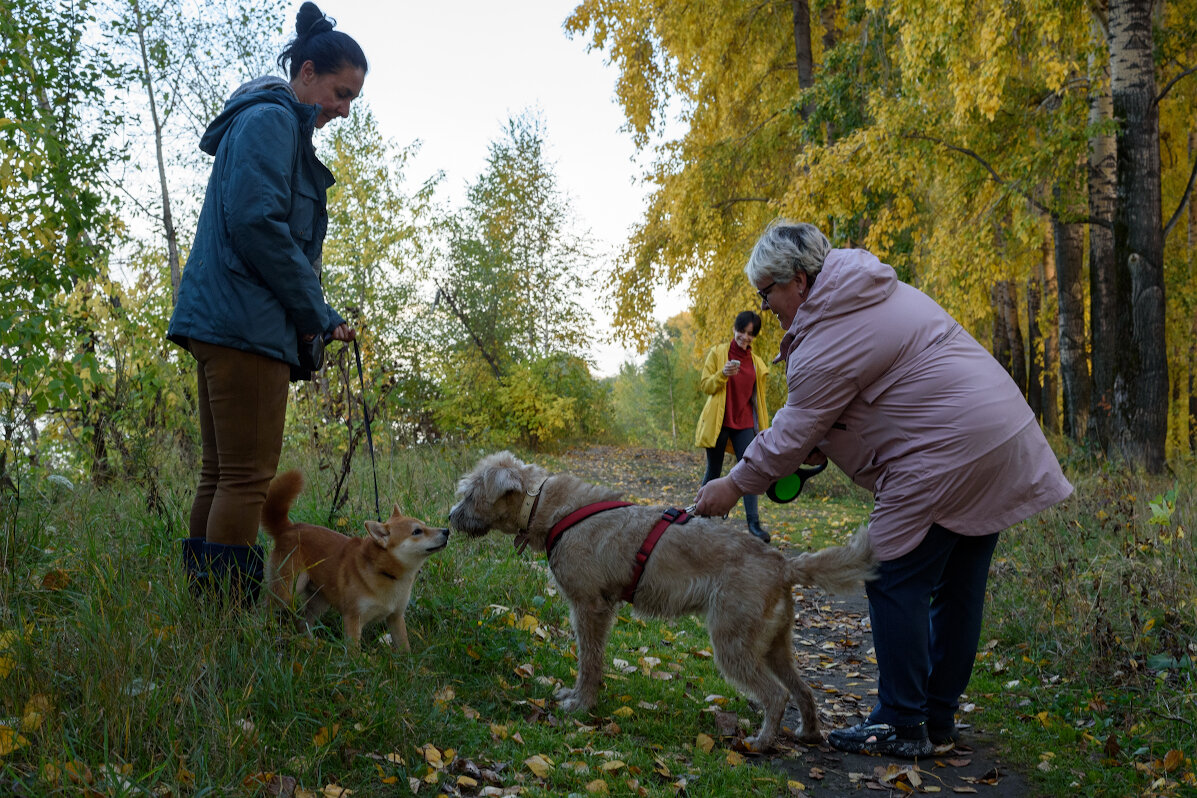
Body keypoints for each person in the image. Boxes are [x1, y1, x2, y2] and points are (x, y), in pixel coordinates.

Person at [693, 220, 1073, 758]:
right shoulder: (868, 293)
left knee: (893, 575)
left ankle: (901, 721)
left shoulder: (829, 330)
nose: (765, 304)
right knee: (960, 586)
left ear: (798, 281)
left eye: (767, 291)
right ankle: (935, 720)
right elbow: (880, 392)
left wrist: (732, 485)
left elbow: (792, 431)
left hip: (945, 452)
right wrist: (834, 440)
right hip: (1002, 436)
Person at [168, 2, 366, 603]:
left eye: (353, 98)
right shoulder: (274, 122)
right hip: (243, 325)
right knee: (249, 480)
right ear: (306, 72)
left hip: (221, 318)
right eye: (340, 91)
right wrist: (319, 313)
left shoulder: (266, 122)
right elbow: (260, 224)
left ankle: (204, 616)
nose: (343, 108)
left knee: (222, 474)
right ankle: (225, 619)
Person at [695, 310, 772, 543]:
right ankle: (700, 517)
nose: (745, 337)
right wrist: (722, 374)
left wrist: (764, 429)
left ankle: (754, 524)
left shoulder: (757, 364)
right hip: (719, 424)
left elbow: (758, 399)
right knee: (714, 471)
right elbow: (706, 386)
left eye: (750, 334)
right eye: (742, 331)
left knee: (750, 471)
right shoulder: (718, 353)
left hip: (745, 424)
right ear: (734, 329)